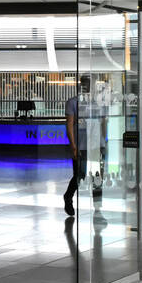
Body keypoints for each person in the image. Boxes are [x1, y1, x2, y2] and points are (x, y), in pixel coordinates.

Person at [63, 76, 90, 217]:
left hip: (92, 144)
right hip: (80, 144)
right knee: (79, 175)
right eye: (85, 85)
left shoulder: (93, 103)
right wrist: (73, 146)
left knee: (93, 175)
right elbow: (69, 126)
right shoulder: (72, 102)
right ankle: (68, 196)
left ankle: (98, 206)